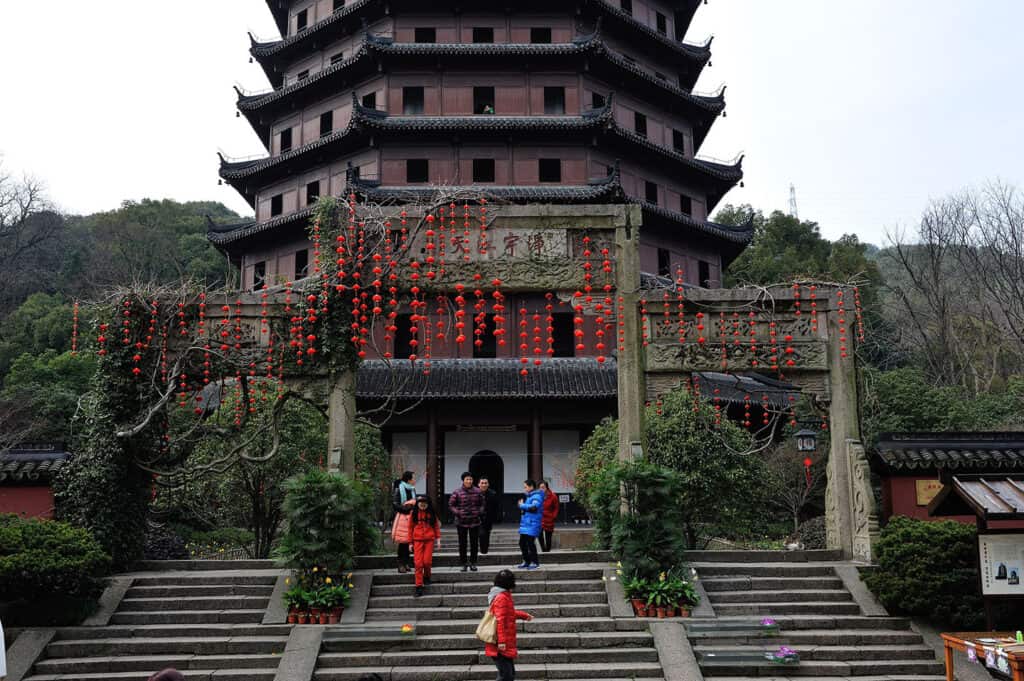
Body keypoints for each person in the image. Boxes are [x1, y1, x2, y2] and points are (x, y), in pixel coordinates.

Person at [485, 569, 533, 681]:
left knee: (509, 674)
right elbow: (500, 620)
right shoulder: (502, 597)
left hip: (505, 641)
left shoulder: (502, 595)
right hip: (500, 643)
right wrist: (501, 642)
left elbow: (508, 612)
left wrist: (524, 615)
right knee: (506, 675)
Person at [449, 471, 485, 572]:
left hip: (475, 521)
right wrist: (458, 512)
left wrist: (479, 512)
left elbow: (482, 504)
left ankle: (473, 563)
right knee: (462, 543)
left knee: (474, 543)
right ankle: (463, 563)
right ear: (463, 481)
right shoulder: (457, 492)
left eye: (470, 479)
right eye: (467, 479)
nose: (469, 481)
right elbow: (451, 504)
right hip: (461, 522)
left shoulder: (478, 491)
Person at [410, 494, 441, 597]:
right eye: (421, 504)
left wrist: (438, 540)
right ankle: (418, 586)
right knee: (418, 564)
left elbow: (436, 527)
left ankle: (427, 576)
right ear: (417, 504)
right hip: (417, 540)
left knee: (427, 562)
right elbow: (410, 528)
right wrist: (410, 543)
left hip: (429, 540)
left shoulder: (432, 514)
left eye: (424, 504)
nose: (422, 506)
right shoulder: (413, 514)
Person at [391, 471, 417, 573]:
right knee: (403, 542)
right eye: (413, 478)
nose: (414, 480)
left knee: (409, 541)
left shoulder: (412, 489)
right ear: (409, 479)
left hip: (411, 518)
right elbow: (395, 504)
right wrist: (407, 508)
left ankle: (406, 563)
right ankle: (400, 564)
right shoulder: (399, 488)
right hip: (402, 518)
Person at [516, 479, 544, 569]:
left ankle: (535, 562)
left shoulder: (537, 496)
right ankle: (526, 561)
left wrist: (522, 505)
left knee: (530, 543)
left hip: (532, 524)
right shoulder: (529, 496)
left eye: (526, 487)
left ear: (531, 486)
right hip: (526, 525)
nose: (525, 489)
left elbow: (534, 507)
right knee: (522, 543)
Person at [479, 476, 501, 555]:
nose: (484, 485)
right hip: (477, 518)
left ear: (488, 484)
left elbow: (496, 506)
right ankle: (481, 551)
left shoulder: (493, 494)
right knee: (481, 534)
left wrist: (495, 517)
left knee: (486, 534)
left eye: (485, 483)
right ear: (479, 484)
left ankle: (484, 551)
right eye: (482, 483)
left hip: (488, 519)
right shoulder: (475, 493)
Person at [538, 480, 560, 552]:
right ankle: (543, 549)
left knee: (548, 537)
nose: (541, 489)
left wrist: (554, 516)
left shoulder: (553, 496)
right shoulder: (537, 496)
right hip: (539, 519)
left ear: (547, 487)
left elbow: (556, 507)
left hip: (549, 519)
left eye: (543, 487)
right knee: (539, 535)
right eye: (540, 487)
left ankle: (548, 551)